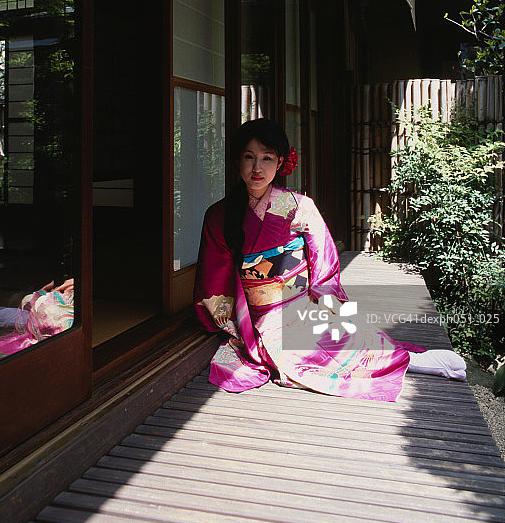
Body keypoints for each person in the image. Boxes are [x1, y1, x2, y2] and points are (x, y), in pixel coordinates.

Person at [194, 118, 466, 401]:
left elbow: (322, 261)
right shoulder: (218, 216)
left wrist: (326, 302)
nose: (257, 168)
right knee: (297, 355)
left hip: (302, 299)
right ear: (237, 160)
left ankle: (406, 360)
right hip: (260, 313)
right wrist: (233, 323)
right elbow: (214, 277)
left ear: (280, 162)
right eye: (249, 157)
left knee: (348, 336)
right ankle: (407, 362)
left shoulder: (300, 206)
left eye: (267, 158)